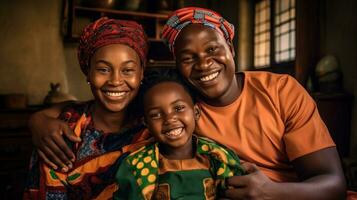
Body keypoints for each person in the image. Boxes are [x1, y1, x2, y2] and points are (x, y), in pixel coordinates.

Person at [28, 7, 347, 200]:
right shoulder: (175, 106)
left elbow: (332, 185)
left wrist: (270, 193)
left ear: (231, 48)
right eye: (188, 57)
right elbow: (104, 104)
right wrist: (39, 119)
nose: (204, 63)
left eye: (212, 49)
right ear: (177, 67)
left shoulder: (280, 90)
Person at [23, 17, 151, 199]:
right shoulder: (62, 131)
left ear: (141, 73)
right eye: (103, 69)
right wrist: (37, 119)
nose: (115, 81)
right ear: (88, 72)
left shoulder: (156, 125)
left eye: (127, 70)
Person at [114, 70, 244, 199]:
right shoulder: (135, 166)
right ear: (146, 123)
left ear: (196, 112)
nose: (169, 119)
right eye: (156, 115)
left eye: (178, 108)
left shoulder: (219, 156)